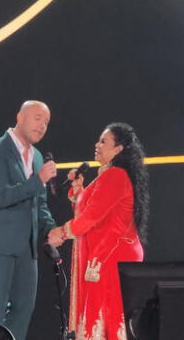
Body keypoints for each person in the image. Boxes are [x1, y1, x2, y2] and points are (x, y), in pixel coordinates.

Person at [0, 100, 60, 340]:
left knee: (23, 309)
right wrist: (37, 180)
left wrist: (50, 229)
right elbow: (0, 196)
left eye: (46, 122)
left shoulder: (37, 157)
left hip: (26, 247)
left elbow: (40, 203)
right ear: (20, 117)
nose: (42, 126)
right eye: (37, 118)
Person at [48, 123, 149, 340]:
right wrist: (78, 190)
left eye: (104, 141)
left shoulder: (116, 176)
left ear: (119, 149)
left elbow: (91, 217)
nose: (97, 145)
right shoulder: (108, 176)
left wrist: (62, 233)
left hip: (111, 255)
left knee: (106, 315)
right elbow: (89, 214)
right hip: (107, 253)